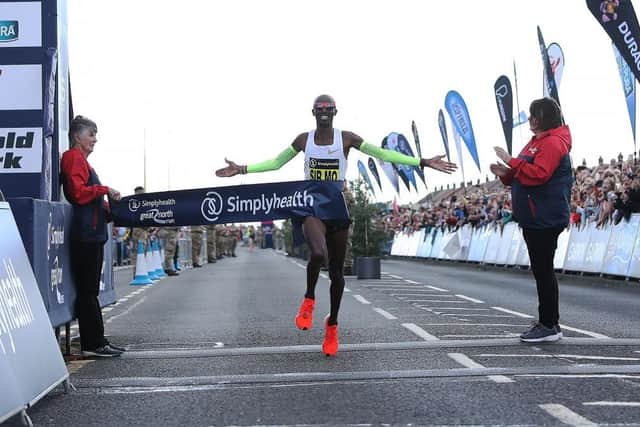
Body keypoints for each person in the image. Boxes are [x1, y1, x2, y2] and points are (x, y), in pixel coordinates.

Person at [216, 94, 456, 356]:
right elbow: (276, 163)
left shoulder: (347, 138)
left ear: (335, 112)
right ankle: (309, 298)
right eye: (319, 108)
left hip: (336, 205)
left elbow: (381, 153)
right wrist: (242, 169)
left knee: (337, 274)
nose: (324, 112)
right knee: (318, 253)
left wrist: (421, 162)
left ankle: (332, 325)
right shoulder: (303, 140)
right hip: (311, 205)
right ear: (313, 112)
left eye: (328, 108)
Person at [490, 97, 573, 343]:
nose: (529, 119)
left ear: (540, 118)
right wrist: (507, 174)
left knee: (543, 270)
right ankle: (547, 321)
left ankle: (549, 324)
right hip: (534, 215)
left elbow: (539, 174)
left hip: (545, 216)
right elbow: (523, 173)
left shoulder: (554, 142)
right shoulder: (537, 142)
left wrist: (510, 161)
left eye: (532, 115)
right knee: (541, 270)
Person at [61, 115, 126, 358]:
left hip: (93, 234)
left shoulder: (83, 162)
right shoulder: (73, 158)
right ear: (77, 137)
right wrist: (105, 189)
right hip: (86, 235)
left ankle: (97, 340)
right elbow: (78, 194)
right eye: (91, 134)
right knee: (88, 292)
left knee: (90, 292)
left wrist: (113, 211)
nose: (95, 139)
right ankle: (92, 343)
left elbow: (90, 199)